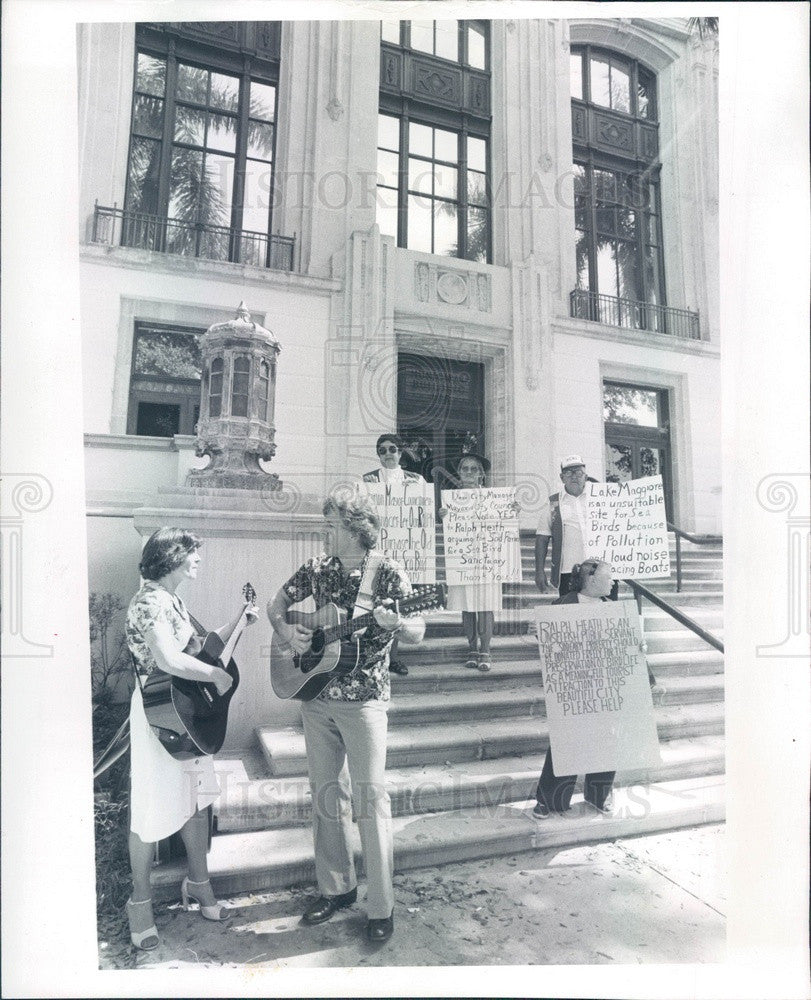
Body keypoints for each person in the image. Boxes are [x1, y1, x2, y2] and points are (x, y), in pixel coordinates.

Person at [266, 494, 425, 944]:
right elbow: (276, 605)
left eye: (332, 523)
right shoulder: (318, 567)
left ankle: (381, 906)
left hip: (365, 701)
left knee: (370, 801)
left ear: (357, 527)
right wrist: (287, 632)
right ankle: (336, 889)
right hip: (316, 697)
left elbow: (418, 628)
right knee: (325, 795)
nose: (325, 531)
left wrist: (395, 624)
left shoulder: (388, 572)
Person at [124, 528, 258, 951]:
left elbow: (199, 647)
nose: (198, 560)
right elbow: (166, 658)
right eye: (193, 554)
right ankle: (139, 903)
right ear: (173, 558)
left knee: (197, 803)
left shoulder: (172, 600)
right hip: (159, 712)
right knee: (150, 810)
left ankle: (199, 883)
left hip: (185, 712)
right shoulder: (147, 601)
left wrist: (240, 618)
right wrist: (214, 675)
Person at [532, 559, 620, 818]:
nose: (613, 581)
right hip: (573, 684)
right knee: (566, 740)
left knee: (605, 739)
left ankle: (599, 795)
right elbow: (545, 638)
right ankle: (550, 799)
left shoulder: (613, 608)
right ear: (591, 580)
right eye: (608, 576)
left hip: (604, 685)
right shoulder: (562, 605)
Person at [362, 433, 427, 677]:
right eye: (382, 450)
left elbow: (423, 513)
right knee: (375, 603)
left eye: (392, 449)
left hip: (404, 548)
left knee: (398, 603)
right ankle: (375, 655)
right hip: (378, 549)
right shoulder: (369, 479)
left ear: (400, 453)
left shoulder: (416, 479)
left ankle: (394, 657)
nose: (388, 454)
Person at [439, 453, 503, 673]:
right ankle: (472, 648)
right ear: (459, 472)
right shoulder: (452, 500)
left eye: (473, 469)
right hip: (462, 557)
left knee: (485, 605)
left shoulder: (492, 498)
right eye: (464, 468)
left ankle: (485, 649)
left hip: (487, 559)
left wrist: (511, 510)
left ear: (481, 474)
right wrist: (444, 515)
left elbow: (504, 525)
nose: (468, 472)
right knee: (466, 606)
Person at [535, 454, 600, 600]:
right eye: (568, 473)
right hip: (569, 572)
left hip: (600, 570)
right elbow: (542, 538)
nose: (574, 477)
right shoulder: (553, 503)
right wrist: (539, 571)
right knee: (572, 616)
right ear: (561, 477)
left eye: (578, 472)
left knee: (605, 615)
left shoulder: (601, 497)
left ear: (586, 476)